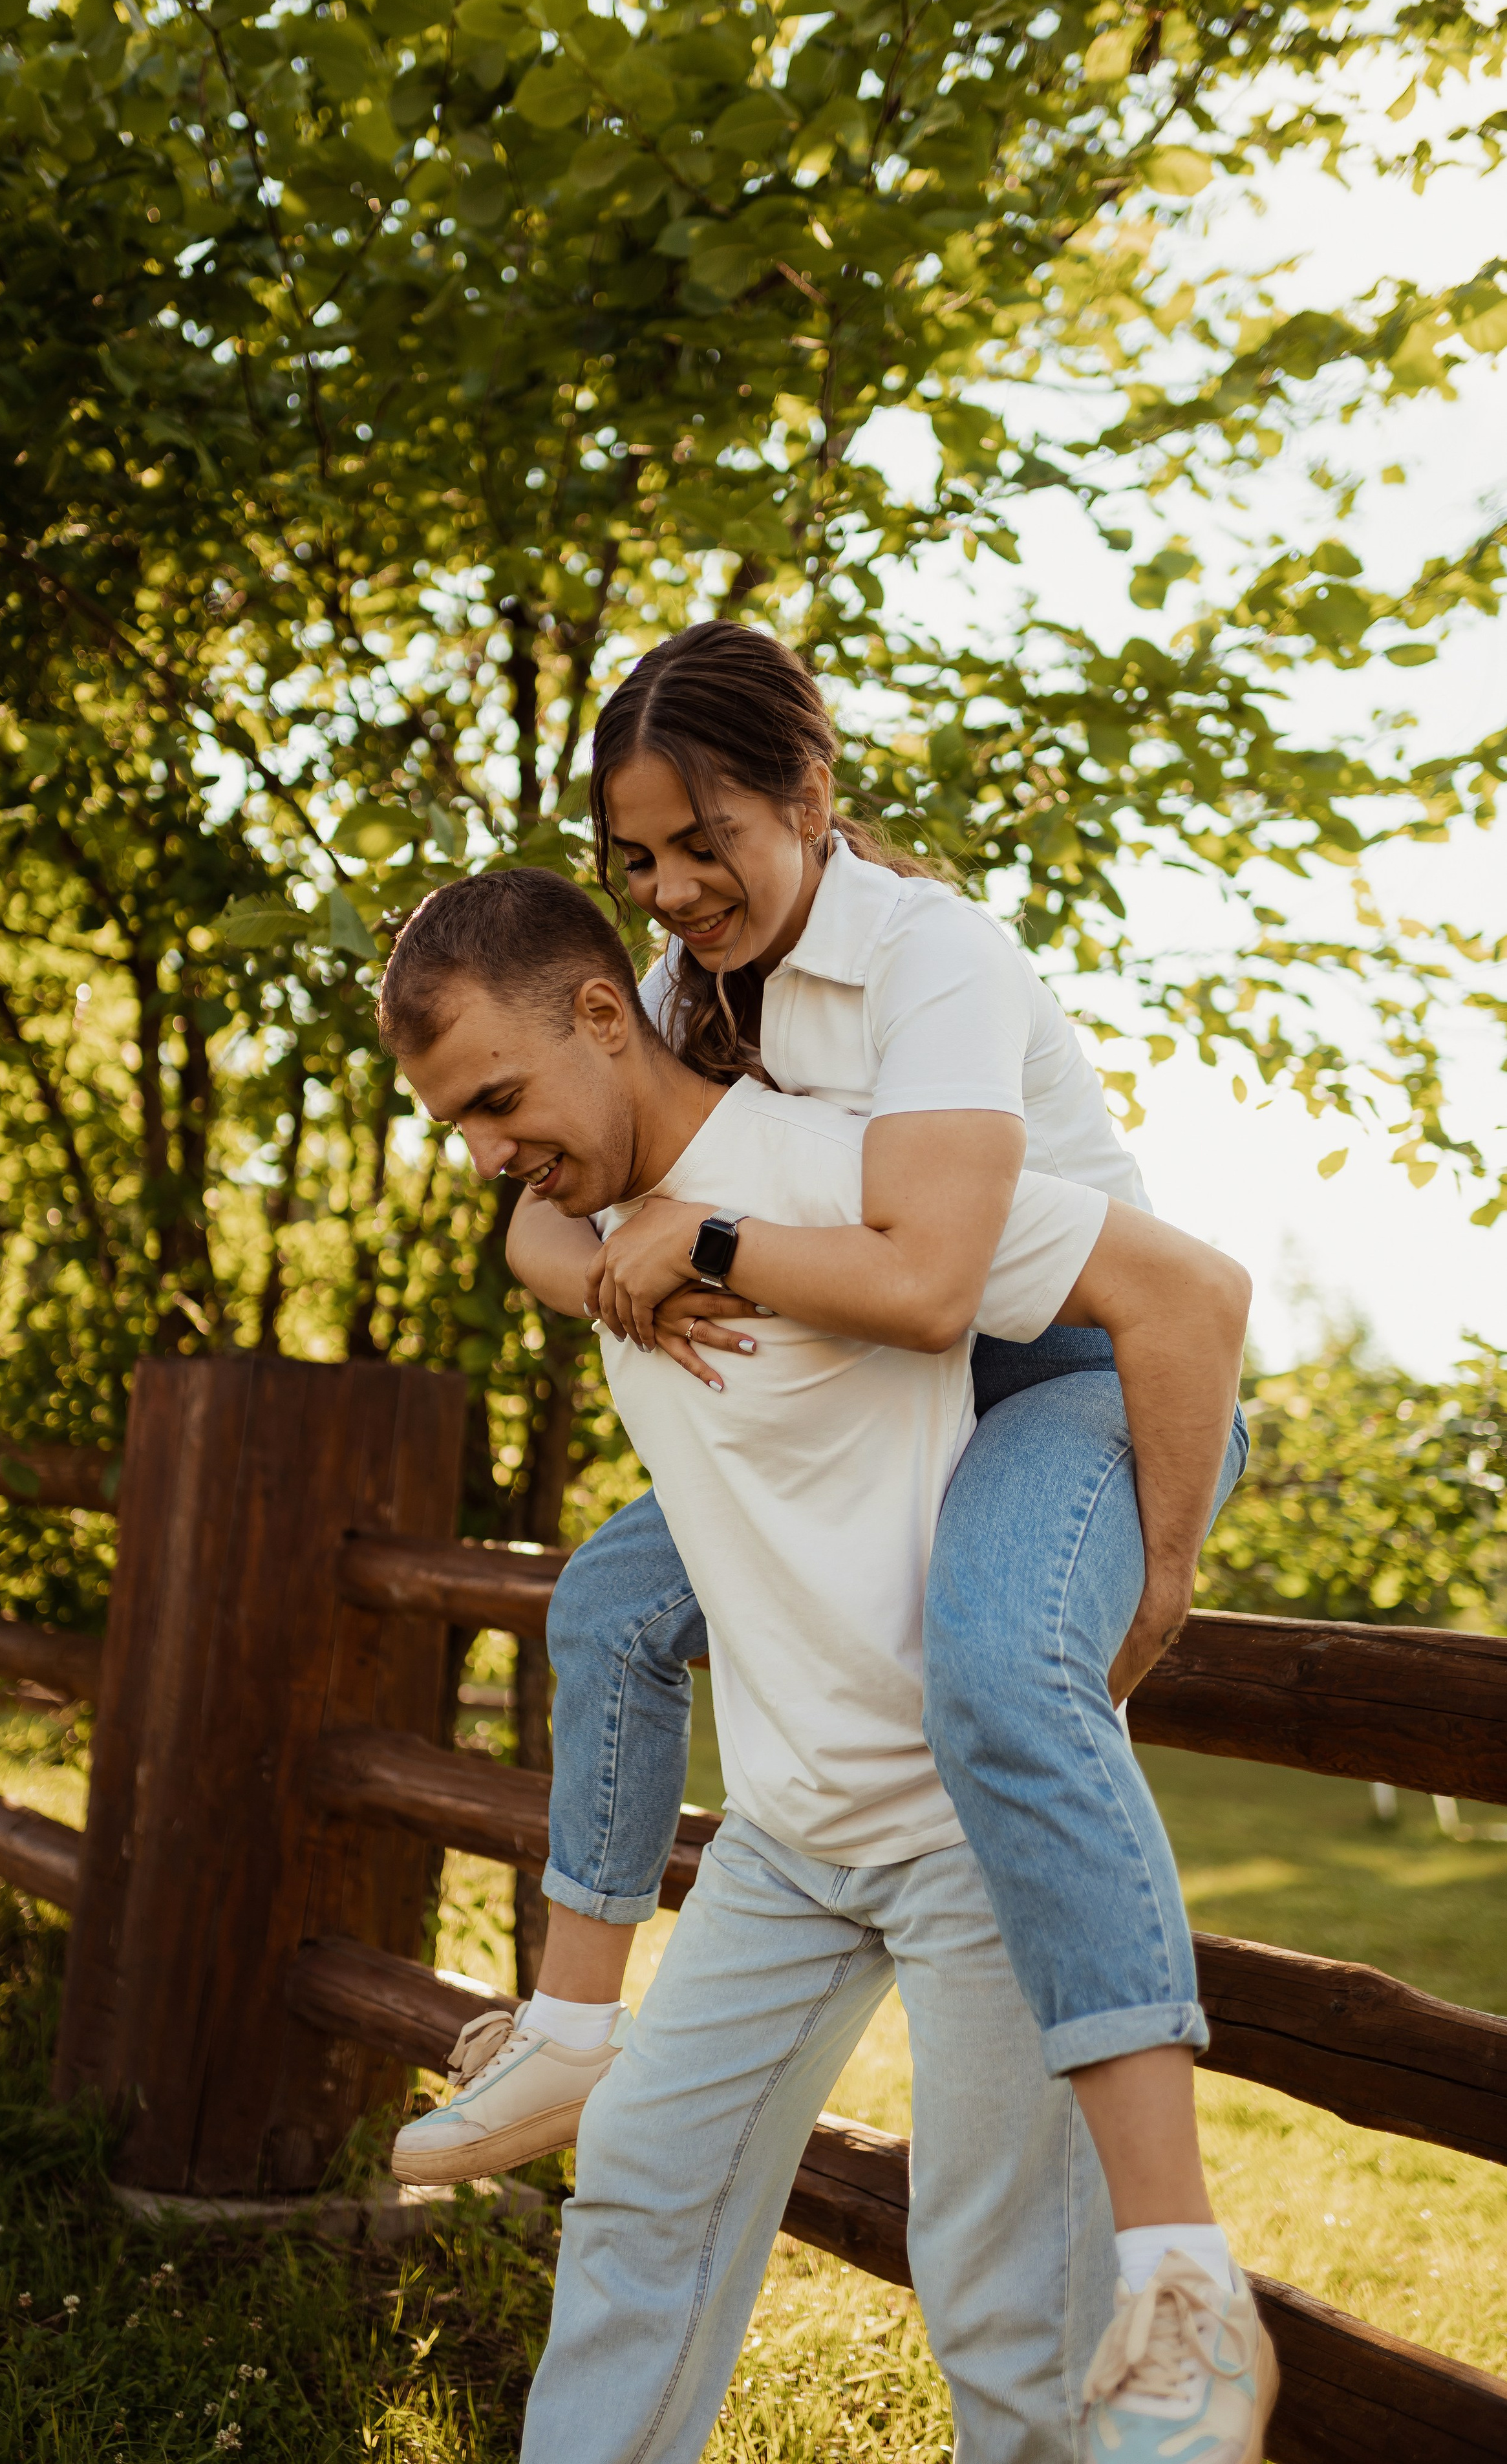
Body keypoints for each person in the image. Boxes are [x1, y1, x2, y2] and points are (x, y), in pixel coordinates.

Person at [393, 627, 1253, 2339]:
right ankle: (571, 2029)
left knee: (1001, 1664)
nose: (673, 891)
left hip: (1078, 1378)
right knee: (611, 1598)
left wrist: (1157, 1573)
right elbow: (538, 1225)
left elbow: (942, 1282)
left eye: (703, 843)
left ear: (813, 791)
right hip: (891, 1394)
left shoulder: (932, 957)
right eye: (636, 859)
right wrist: (637, 1260)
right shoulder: (663, 990)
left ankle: (1177, 2275)